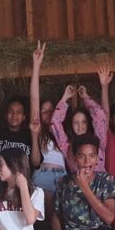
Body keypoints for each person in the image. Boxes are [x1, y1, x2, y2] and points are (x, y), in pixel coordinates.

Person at [29, 42, 69, 194]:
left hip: (63, 176)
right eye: (43, 111)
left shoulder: (63, 131)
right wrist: (36, 65)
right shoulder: (39, 129)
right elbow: (34, 99)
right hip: (43, 174)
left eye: (50, 110)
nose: (46, 113)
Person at [51, 81, 108, 174]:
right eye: (76, 122)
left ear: (88, 123)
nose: (80, 126)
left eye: (83, 122)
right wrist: (65, 98)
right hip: (78, 183)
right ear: (71, 125)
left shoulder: (98, 140)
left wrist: (86, 98)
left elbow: (100, 116)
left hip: (99, 182)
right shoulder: (67, 147)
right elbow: (55, 122)